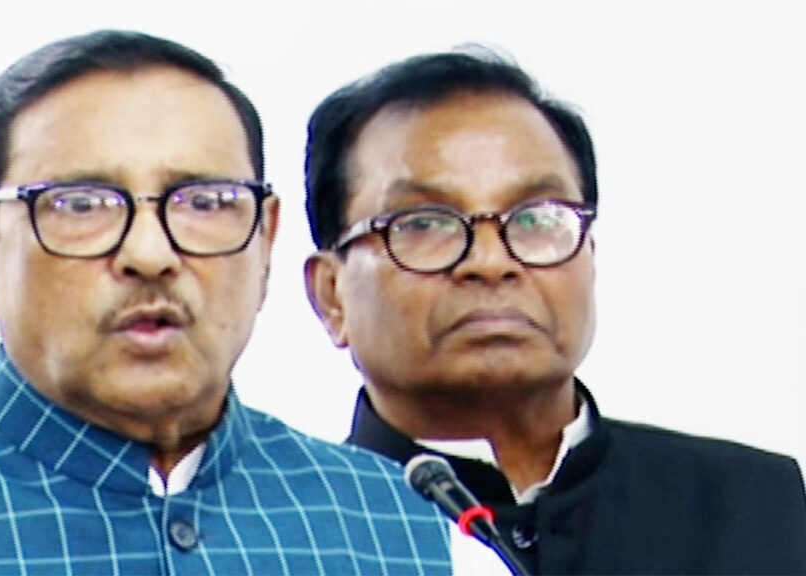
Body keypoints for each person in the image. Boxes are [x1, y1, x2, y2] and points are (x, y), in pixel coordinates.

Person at [0, 30, 464, 575]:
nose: (150, 253)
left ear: (265, 245)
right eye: (81, 204)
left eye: (204, 202)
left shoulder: (423, 537)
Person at [303, 46, 806, 575]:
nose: (491, 262)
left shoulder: (755, 505)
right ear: (332, 295)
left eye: (536, 219)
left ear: (589, 256)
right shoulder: (286, 542)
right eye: (425, 223)